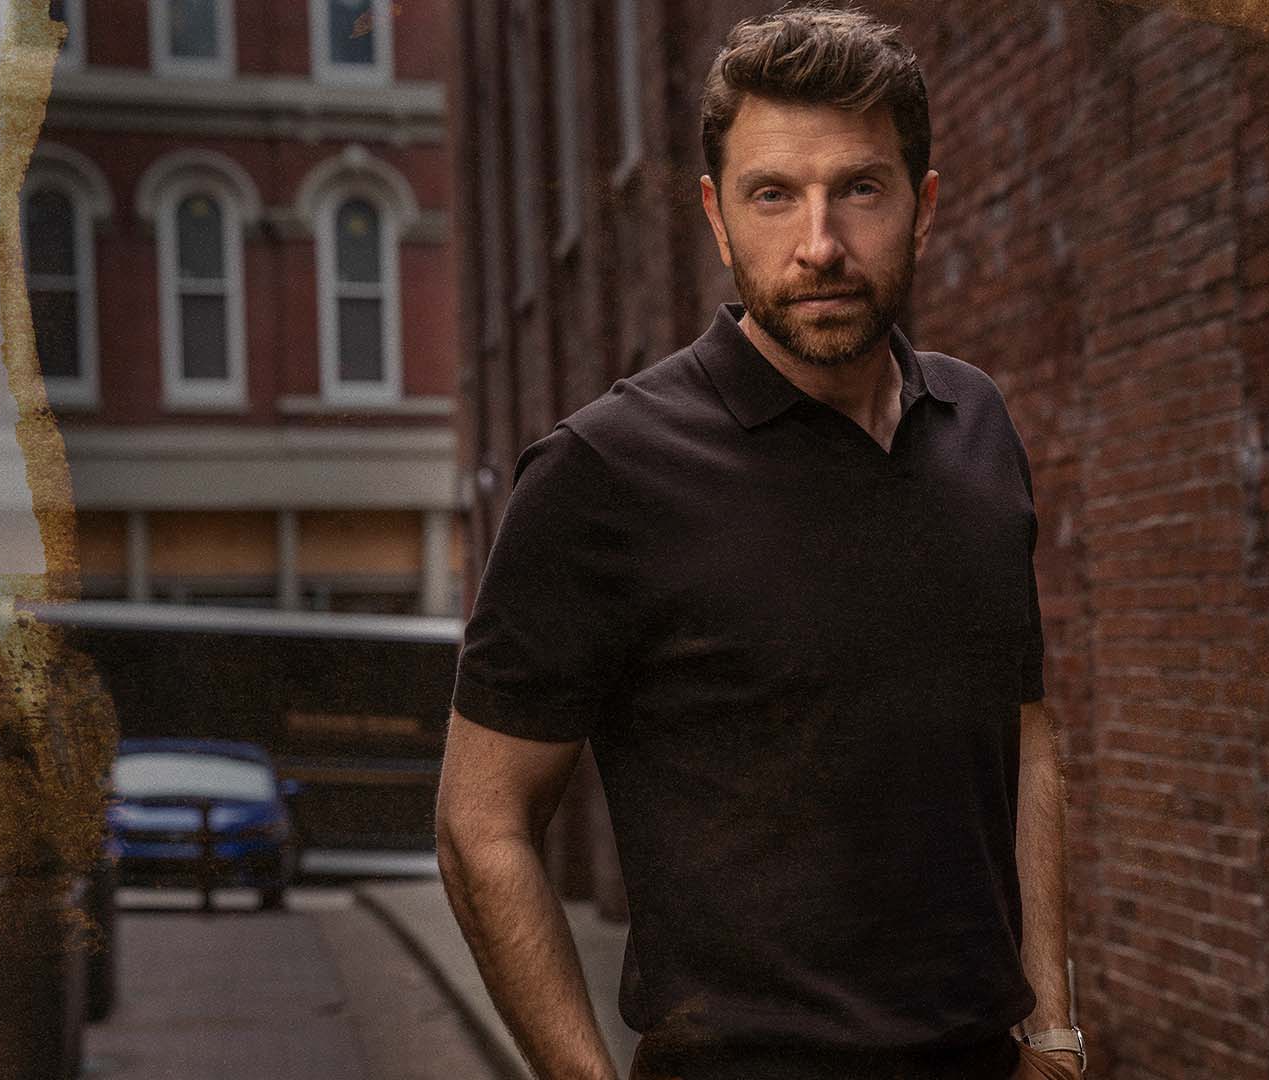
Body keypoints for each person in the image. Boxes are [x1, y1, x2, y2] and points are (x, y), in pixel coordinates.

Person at [435, 8, 1085, 1080]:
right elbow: (481, 821)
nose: (819, 245)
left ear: (922, 207)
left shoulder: (976, 423)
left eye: (859, 189)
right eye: (773, 194)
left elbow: (1023, 729)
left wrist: (1053, 1031)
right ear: (717, 215)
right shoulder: (604, 472)